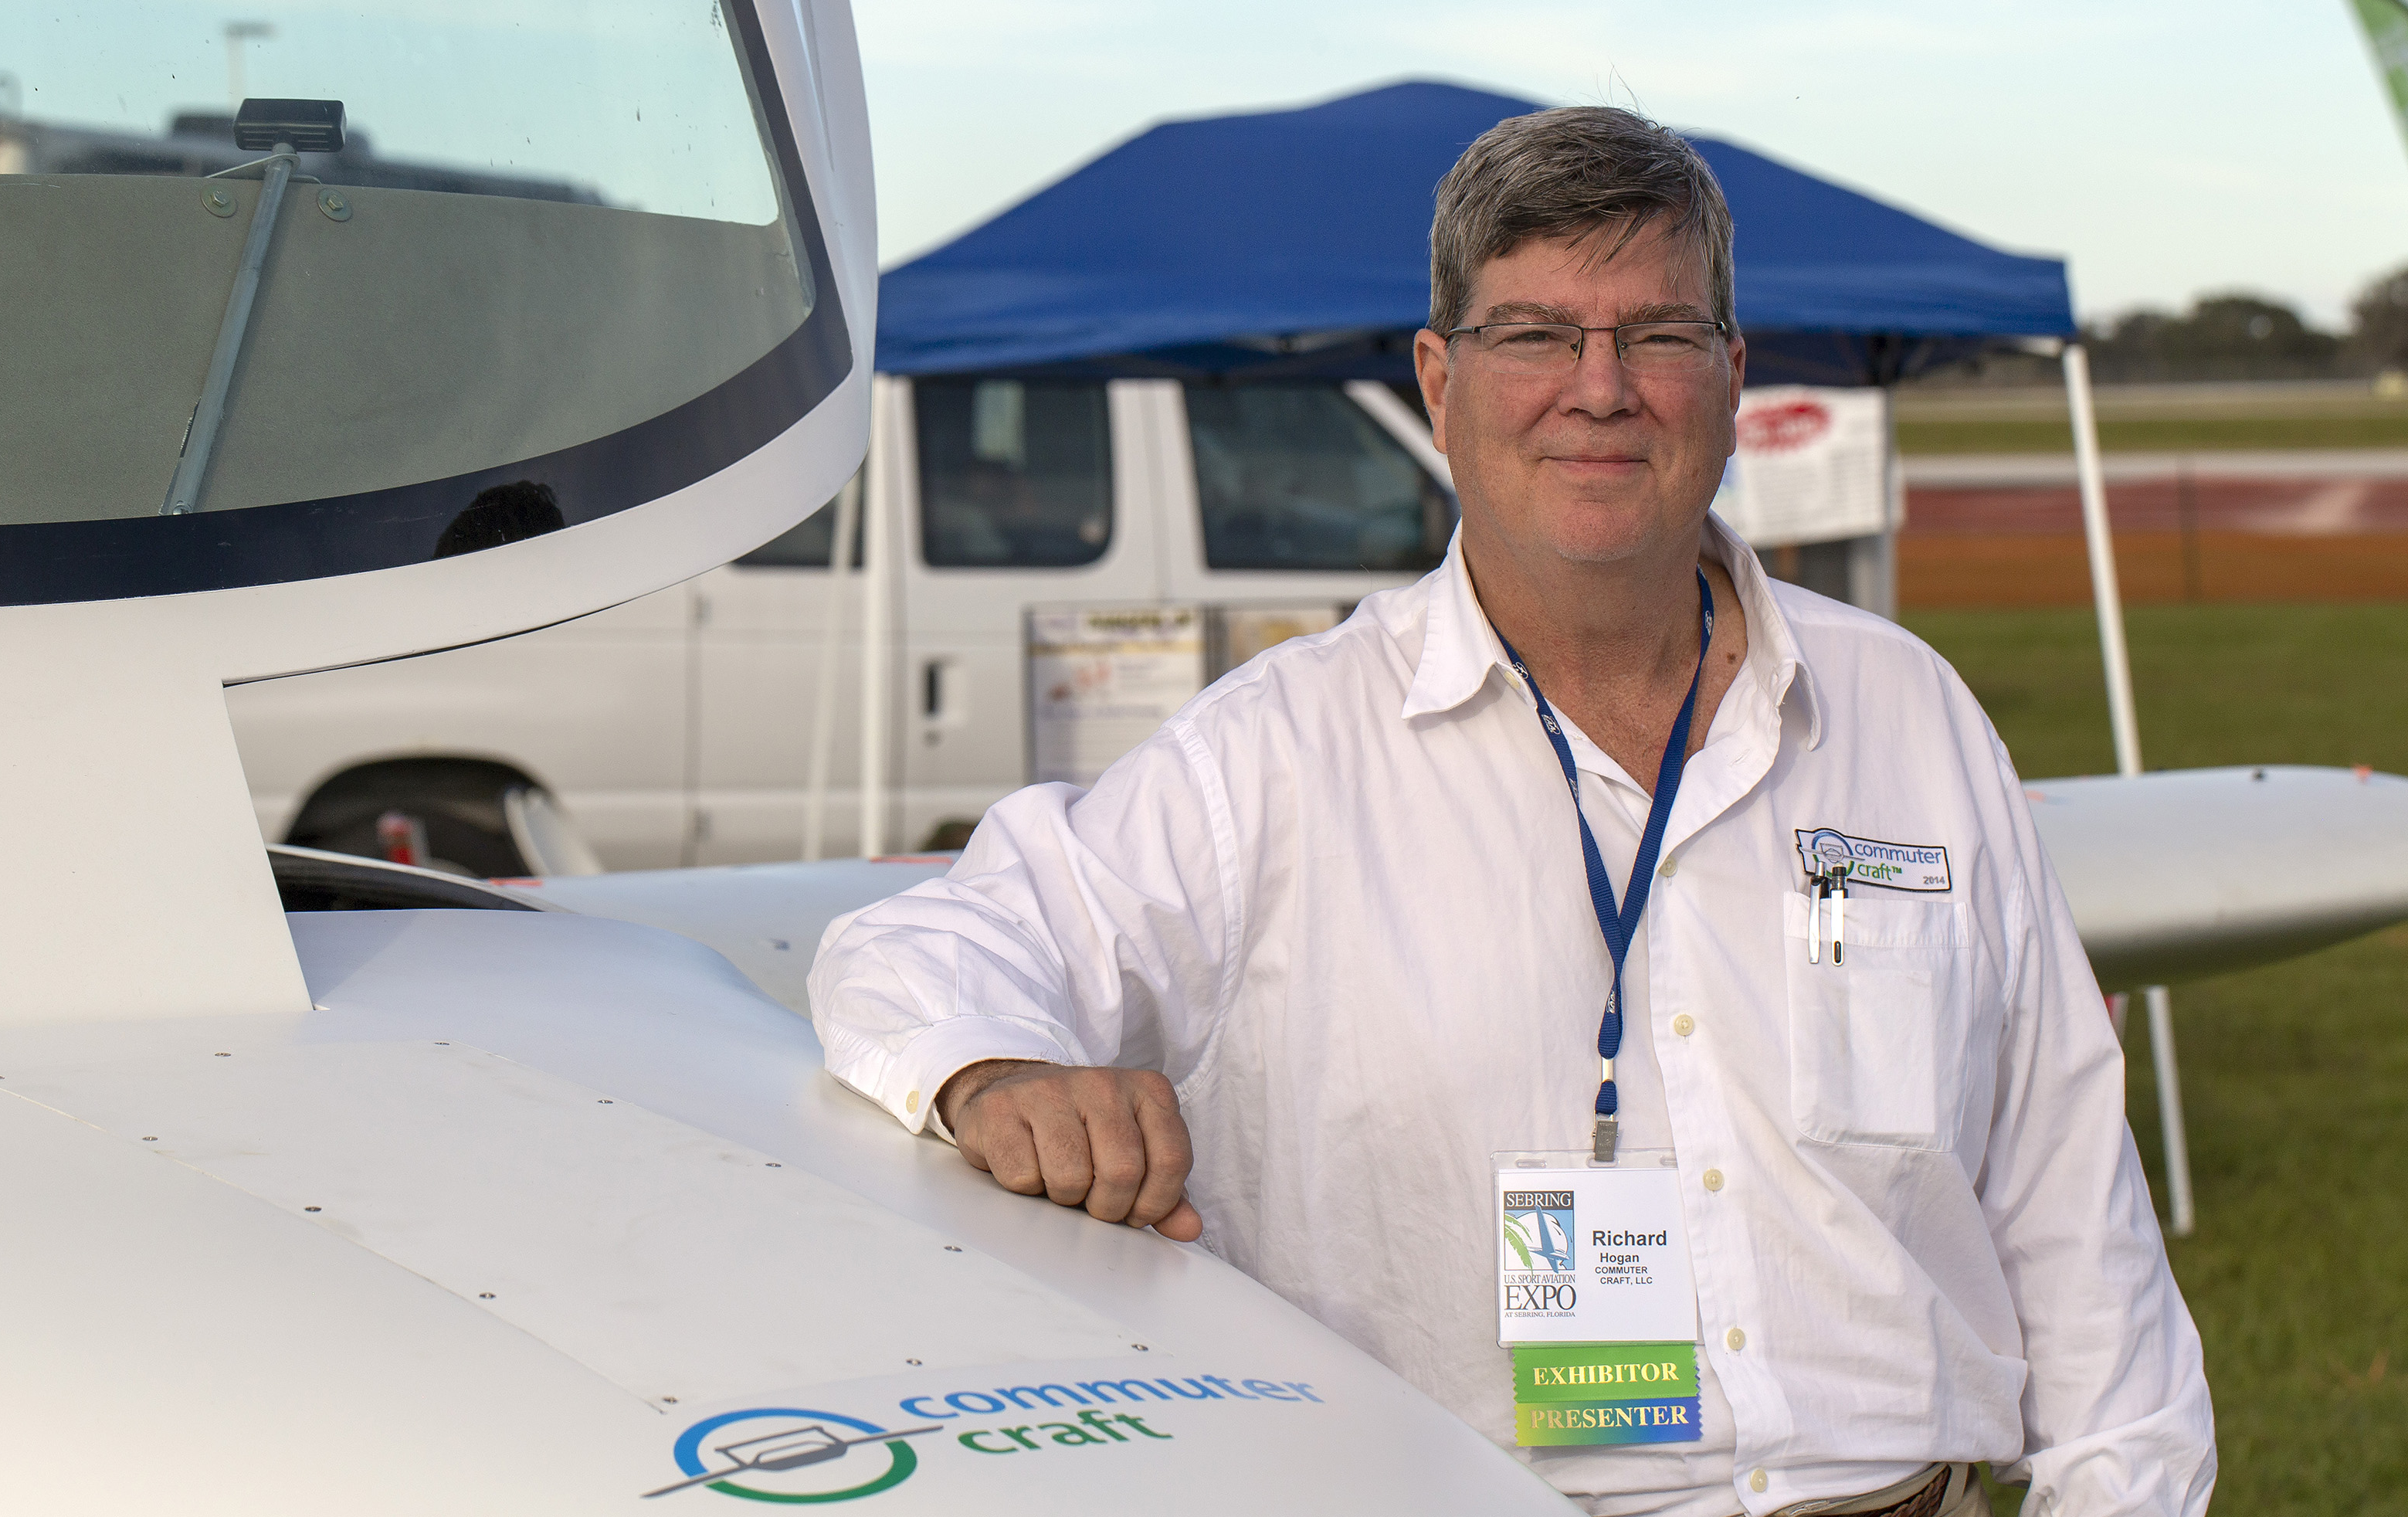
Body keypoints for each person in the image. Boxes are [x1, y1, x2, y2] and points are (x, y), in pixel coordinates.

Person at [809, 106, 2213, 1517]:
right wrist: (997, 1079)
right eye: (1536, 334)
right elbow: (918, 953)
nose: (1599, 389)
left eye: (1656, 335)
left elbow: (2073, 1214)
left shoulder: (1908, 715)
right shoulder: (1279, 755)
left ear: (1730, 377)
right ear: (1440, 380)